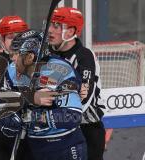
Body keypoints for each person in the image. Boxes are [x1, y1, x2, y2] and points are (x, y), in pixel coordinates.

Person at [11, 29, 87, 160]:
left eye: (17, 54)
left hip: (64, 148)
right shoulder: (14, 70)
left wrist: (35, 117)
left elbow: (72, 116)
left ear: (30, 57)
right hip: (34, 148)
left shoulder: (58, 71)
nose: (12, 58)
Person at [48, 7, 106, 160]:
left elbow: (83, 99)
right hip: (57, 130)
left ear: (71, 31)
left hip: (87, 130)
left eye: (57, 26)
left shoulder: (84, 56)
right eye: (50, 24)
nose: (50, 30)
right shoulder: (47, 53)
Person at [0, 15, 30, 160]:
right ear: (2, 41)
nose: (16, 41)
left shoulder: (33, 62)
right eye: (10, 37)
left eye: (19, 36)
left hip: (25, 137)